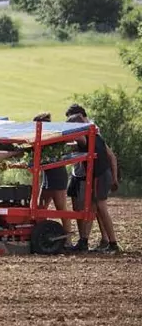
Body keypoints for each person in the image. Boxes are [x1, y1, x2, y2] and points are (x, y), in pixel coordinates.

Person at [64, 104, 119, 251]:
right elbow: (111, 155)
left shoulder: (85, 137)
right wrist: (115, 177)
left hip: (100, 175)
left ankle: (113, 243)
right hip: (101, 175)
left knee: (101, 208)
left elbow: (79, 141)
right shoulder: (95, 135)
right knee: (92, 208)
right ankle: (84, 241)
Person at [33, 112, 72, 246]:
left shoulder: (54, 138)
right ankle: (41, 235)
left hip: (58, 176)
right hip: (47, 176)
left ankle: (68, 240)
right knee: (40, 207)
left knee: (61, 208)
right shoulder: (41, 138)